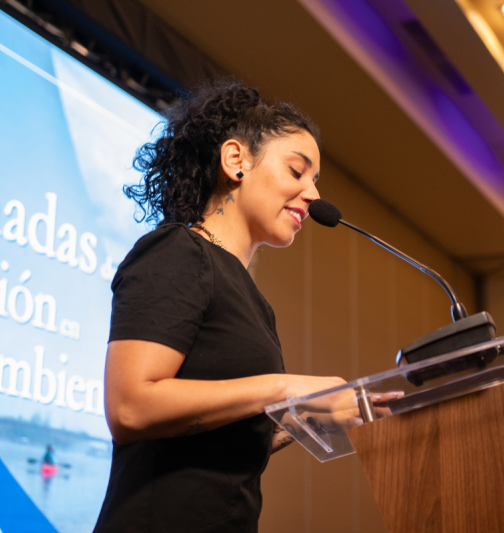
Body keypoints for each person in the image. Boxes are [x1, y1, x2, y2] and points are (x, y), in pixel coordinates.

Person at [93, 79, 348, 533]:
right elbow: (130, 407)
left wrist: (306, 416)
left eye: (315, 181)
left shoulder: (254, 301)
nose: (313, 194)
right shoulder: (178, 252)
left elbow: (214, 445)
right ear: (236, 161)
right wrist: (283, 389)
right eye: (297, 171)